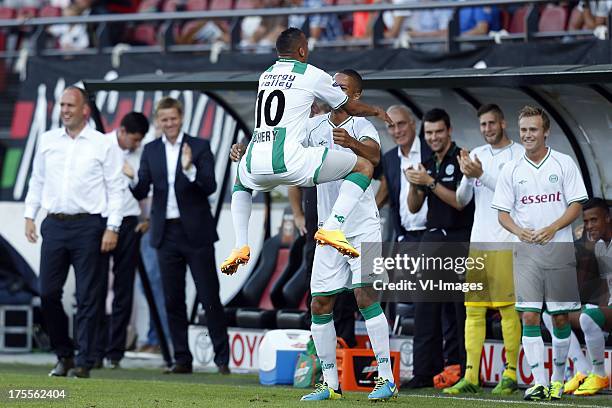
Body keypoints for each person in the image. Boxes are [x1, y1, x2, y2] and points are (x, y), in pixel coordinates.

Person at [222, 27, 393, 276]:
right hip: (293, 166)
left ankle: (240, 244)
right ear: (302, 50)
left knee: (241, 181)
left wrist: (245, 149)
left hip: (257, 162)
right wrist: (378, 111)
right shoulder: (312, 76)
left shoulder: (265, 75)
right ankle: (334, 227)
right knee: (363, 166)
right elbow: (352, 110)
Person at [296, 69, 397, 401]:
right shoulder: (313, 126)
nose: (332, 89)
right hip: (329, 230)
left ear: (354, 96)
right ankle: (330, 384)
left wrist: (351, 144)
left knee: (365, 296)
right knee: (319, 303)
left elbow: (375, 158)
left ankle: (386, 378)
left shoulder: (363, 127)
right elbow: (287, 148)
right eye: (331, 85)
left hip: (363, 228)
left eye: (339, 86)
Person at [24, 86, 124, 378]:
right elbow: (37, 180)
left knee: (88, 297)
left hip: (89, 225)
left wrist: (112, 227)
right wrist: (30, 215)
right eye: (62, 105)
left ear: (85, 110)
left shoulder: (103, 143)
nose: (65, 110)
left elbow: (115, 187)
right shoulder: (47, 141)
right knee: (47, 293)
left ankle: (84, 360)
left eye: (70, 105)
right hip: (53, 223)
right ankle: (63, 354)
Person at [492, 105, 588, 400]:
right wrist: (519, 232)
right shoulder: (511, 169)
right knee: (530, 317)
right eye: (523, 130)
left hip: (558, 251)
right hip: (526, 253)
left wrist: (553, 227)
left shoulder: (563, 163)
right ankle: (539, 381)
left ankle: (558, 379)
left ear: (546, 131)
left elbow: (576, 204)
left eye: (533, 129)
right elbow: (503, 213)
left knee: (559, 318)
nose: (528, 135)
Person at [129, 97, 230, 375]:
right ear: (157, 122)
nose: (169, 124)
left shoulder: (199, 146)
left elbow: (209, 185)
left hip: (196, 233)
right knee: (173, 299)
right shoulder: (150, 150)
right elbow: (142, 190)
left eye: (173, 118)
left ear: (181, 117)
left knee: (209, 296)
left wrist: (188, 168)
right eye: (164, 120)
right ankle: (181, 359)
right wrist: (129, 178)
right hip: (166, 233)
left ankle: (222, 360)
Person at [444, 104, 524, 395]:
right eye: (483, 124)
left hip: (506, 242)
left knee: (506, 310)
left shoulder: (518, 155)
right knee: (474, 311)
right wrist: (468, 175)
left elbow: (515, 199)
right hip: (479, 243)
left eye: (492, 123)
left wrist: (483, 175)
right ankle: (471, 376)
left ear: (503, 123)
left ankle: (511, 373)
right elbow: (463, 200)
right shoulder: (477, 153)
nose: (488, 129)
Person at [404, 108, 474, 388]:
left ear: (449, 131)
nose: (433, 137)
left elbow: (460, 201)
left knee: (459, 309)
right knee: (425, 308)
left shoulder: (462, 158)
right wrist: (414, 184)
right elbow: (413, 207)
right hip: (432, 238)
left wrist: (429, 183)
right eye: (429, 133)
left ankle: (461, 370)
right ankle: (423, 372)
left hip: (460, 238)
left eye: (438, 131)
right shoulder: (426, 161)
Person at [94, 112, 150, 369]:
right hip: (99, 221)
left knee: (123, 289)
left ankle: (115, 352)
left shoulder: (140, 155)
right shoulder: (100, 145)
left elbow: (146, 191)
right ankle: (93, 348)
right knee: (94, 286)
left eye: (140, 140)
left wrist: (146, 217)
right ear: (123, 131)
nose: (137, 144)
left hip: (128, 223)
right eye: (135, 139)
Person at [573, 197, 611, 396]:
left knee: (589, 316)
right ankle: (582, 371)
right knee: (554, 314)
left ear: (607, 218)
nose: (589, 226)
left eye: (594, 220)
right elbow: (605, 284)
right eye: (586, 222)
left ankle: (600, 375)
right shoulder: (599, 246)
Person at [380, 105, 430, 243]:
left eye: (401, 124)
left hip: (433, 236)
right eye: (391, 126)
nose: (397, 131)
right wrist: (400, 235)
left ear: (413, 123)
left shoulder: (432, 150)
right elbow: (394, 202)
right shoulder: (389, 159)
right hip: (406, 238)